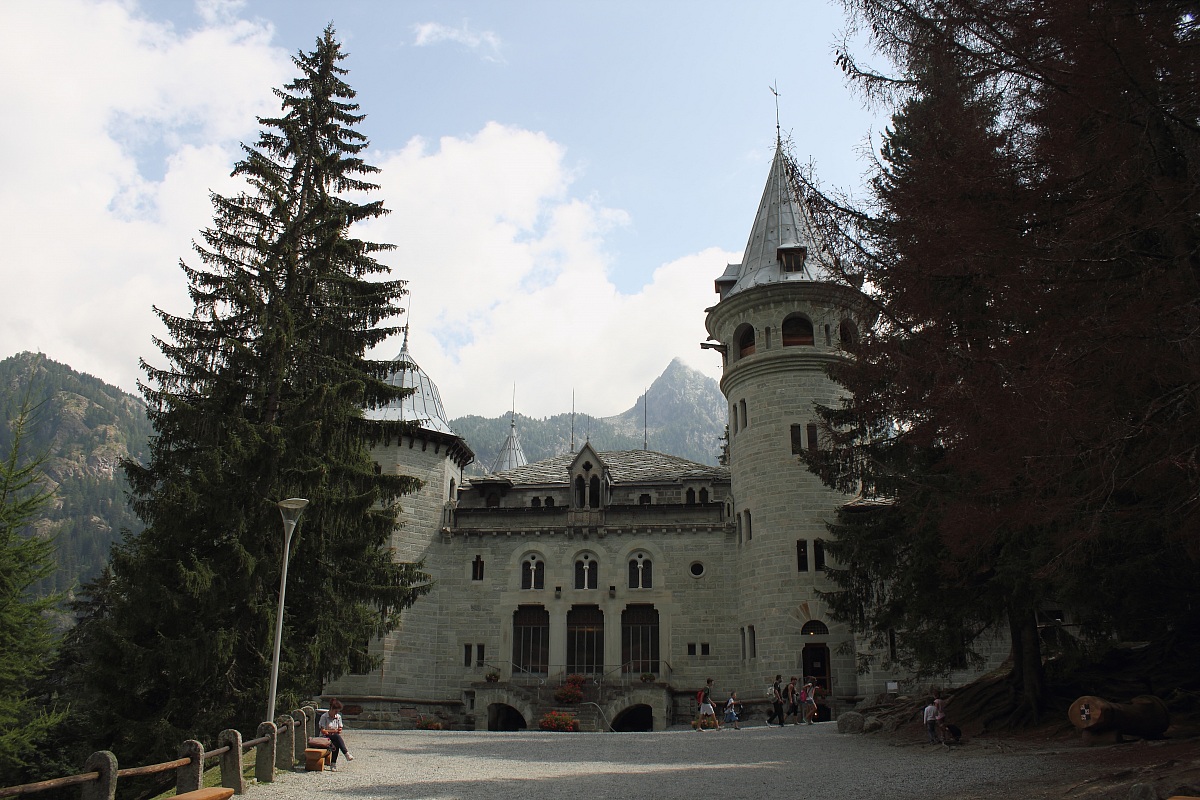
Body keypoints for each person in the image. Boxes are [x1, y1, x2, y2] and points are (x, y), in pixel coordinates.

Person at [320, 698, 354, 768]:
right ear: (331, 708)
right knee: (337, 737)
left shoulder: (338, 717)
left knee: (336, 741)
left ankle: (333, 763)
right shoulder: (324, 717)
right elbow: (323, 731)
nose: (336, 713)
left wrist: (337, 731)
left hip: (334, 737)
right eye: (335, 711)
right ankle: (346, 754)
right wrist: (334, 731)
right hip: (324, 738)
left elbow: (340, 728)